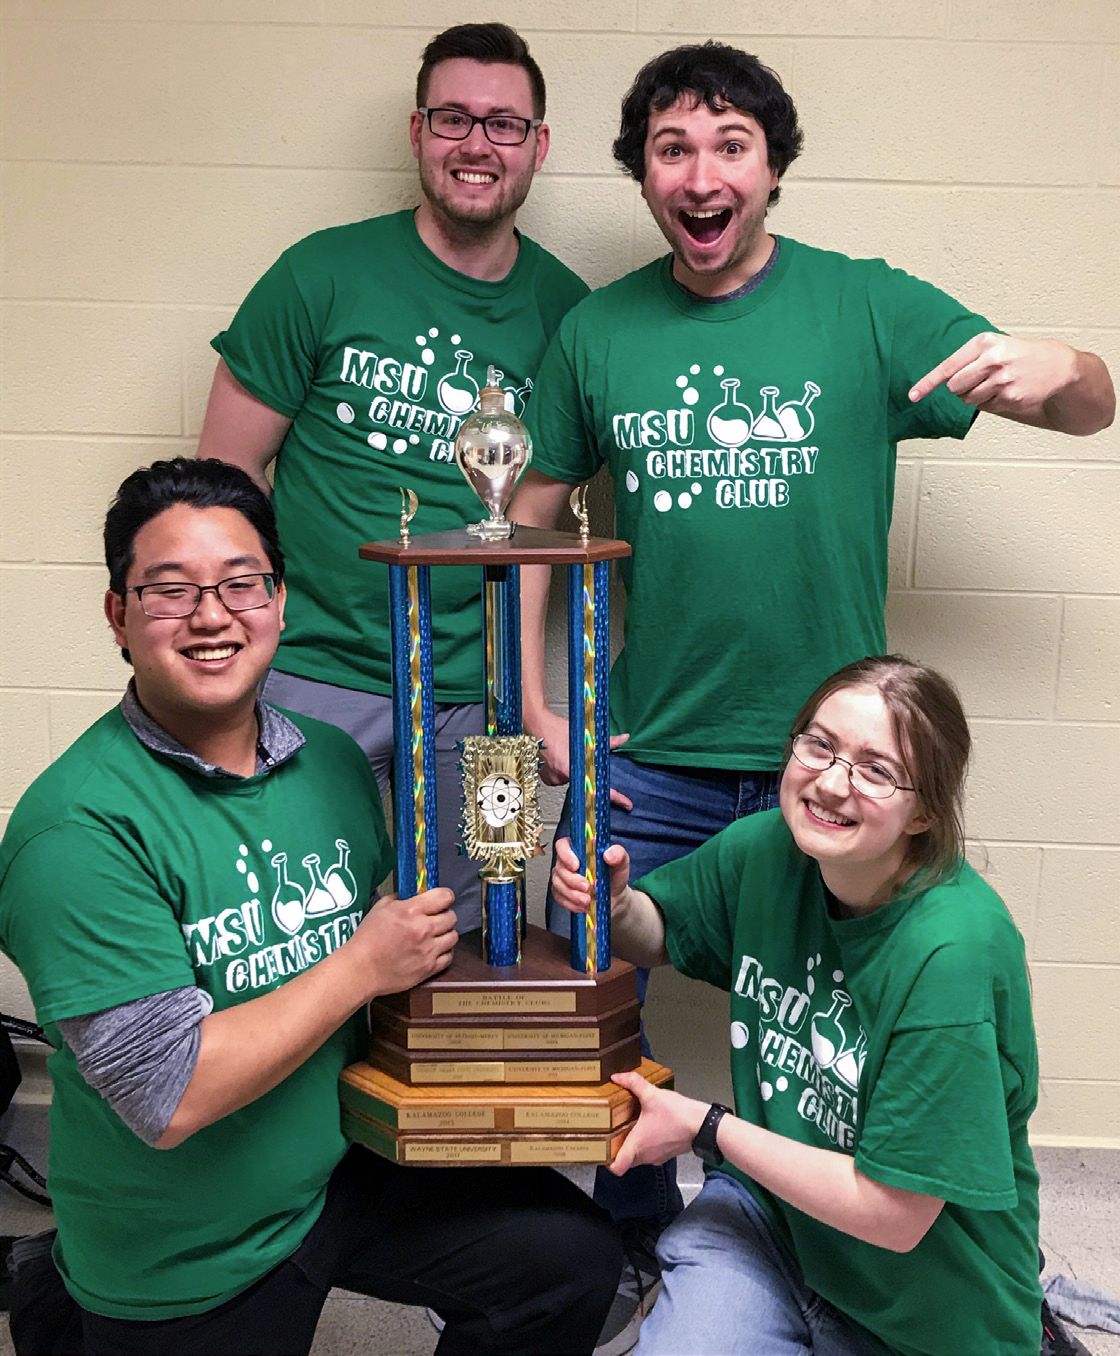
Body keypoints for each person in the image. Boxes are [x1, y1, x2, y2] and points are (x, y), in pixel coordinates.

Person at [508, 40, 1114, 1338]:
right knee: (592, 952)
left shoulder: (864, 306)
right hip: (657, 745)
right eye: (674, 147)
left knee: (854, 1015)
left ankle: (948, 1251)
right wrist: (540, 702)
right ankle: (628, 1228)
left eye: (730, 143)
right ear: (645, 174)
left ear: (770, 167)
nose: (702, 170)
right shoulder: (599, 331)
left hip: (835, 758)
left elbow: (1088, 408)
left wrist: (1060, 366)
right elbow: (534, 517)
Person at [0, 458, 621, 1356]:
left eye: (241, 584)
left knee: (567, 1262)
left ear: (281, 603)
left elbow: (396, 951)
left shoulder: (328, 761)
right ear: (117, 616)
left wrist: (572, 907)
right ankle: (66, 1298)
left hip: (337, 1169)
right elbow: (166, 1094)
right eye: (170, 591)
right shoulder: (76, 831)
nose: (212, 615)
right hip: (185, 1250)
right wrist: (363, 965)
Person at [197, 22, 588, 932]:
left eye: (503, 124)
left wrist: (533, 699)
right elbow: (222, 474)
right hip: (307, 673)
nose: (476, 144)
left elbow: (551, 516)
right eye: (453, 118)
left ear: (538, 146)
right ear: (417, 133)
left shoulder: (572, 315)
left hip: (476, 695)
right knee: (281, 925)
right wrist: (254, 632)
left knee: (476, 927)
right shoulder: (319, 275)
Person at [552, 655, 1042, 1355]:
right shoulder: (769, 849)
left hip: (922, 1297)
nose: (832, 782)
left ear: (926, 810)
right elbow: (662, 936)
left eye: (876, 769)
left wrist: (706, 1126)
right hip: (771, 1222)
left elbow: (895, 1215)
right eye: (820, 744)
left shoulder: (953, 951)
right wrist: (620, 904)